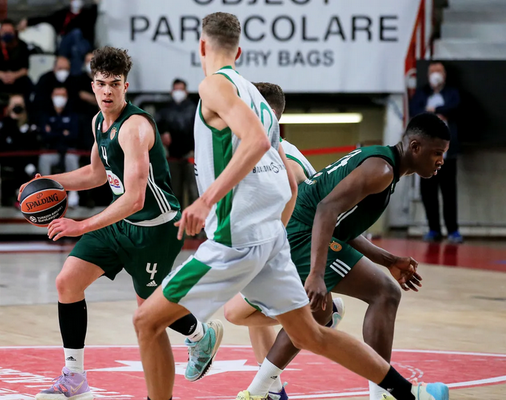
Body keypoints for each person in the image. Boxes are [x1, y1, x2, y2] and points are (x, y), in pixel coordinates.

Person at [132, 12, 450, 400]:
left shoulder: (214, 85)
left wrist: (205, 199)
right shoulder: (259, 102)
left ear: (202, 46)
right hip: (269, 240)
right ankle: (409, 394)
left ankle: (208, 348)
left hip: (235, 241)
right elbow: (287, 182)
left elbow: (255, 143)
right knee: (312, 334)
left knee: (146, 321)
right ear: (239, 51)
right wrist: (276, 233)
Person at [20, 46, 216, 400]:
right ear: (92, 86)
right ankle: (75, 377)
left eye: (115, 83)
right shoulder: (99, 121)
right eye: (101, 84)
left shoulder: (135, 128)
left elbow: (136, 199)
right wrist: (48, 182)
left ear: (126, 86)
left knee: (149, 314)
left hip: (154, 229)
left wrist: (81, 225)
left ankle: (201, 335)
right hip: (118, 222)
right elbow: (96, 174)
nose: (107, 91)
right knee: (67, 282)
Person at [224, 82, 432, 400]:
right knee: (244, 314)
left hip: (290, 240)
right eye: (438, 153)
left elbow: (327, 217)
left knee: (373, 295)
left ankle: (263, 391)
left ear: (269, 114)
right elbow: (325, 213)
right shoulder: (379, 166)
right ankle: (265, 388)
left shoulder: (283, 155)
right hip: (284, 241)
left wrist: (323, 271)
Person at [410, 62, 462, 243]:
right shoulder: (422, 93)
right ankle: (434, 229)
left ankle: (453, 230)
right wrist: (433, 114)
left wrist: (435, 110)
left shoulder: (451, 92)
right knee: (428, 193)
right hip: (426, 154)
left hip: (448, 153)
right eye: (432, 71)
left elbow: (455, 107)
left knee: (449, 193)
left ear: (444, 74)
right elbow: (415, 110)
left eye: (439, 71)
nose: (435, 74)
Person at [17, 0, 96, 75]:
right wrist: (28, 21)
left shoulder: (87, 14)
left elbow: (91, 30)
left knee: (76, 47)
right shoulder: (63, 14)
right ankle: (74, 72)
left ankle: (75, 76)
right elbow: (46, 19)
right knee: (76, 35)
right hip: (64, 45)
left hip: (82, 45)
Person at [155, 78, 197, 208]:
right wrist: (162, 133)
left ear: (186, 92)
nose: (178, 92)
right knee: (174, 190)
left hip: (190, 155)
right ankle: (177, 217)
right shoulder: (165, 110)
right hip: (172, 156)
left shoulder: (193, 109)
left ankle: (193, 218)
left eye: (181, 89)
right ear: (172, 91)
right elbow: (155, 126)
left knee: (193, 190)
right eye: (176, 89)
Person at [38, 86, 81, 207]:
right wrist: (63, 132)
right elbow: (45, 136)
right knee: (44, 158)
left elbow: (74, 135)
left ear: (67, 97)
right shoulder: (46, 114)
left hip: (68, 150)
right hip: (52, 150)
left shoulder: (72, 114)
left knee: (71, 158)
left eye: (62, 95)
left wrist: (54, 131)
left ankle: (73, 193)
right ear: (52, 96)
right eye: (57, 95)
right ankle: (46, 193)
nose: (59, 98)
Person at [0, 94, 39, 206]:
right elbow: (5, 143)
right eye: (14, 105)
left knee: (24, 152)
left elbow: (33, 143)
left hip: (28, 156)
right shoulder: (5, 123)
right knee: (18, 154)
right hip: (9, 157)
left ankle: (26, 194)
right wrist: (12, 121)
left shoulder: (30, 121)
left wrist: (22, 121)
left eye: (20, 105)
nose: (17, 108)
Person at [0, 19, 32, 104]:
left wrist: (14, 76)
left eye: (10, 31)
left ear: (14, 32)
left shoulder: (22, 45)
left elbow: (25, 69)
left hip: (16, 77)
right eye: (4, 31)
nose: (7, 34)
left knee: (28, 83)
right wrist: (2, 76)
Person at [31, 56, 80, 121]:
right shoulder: (45, 79)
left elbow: (75, 102)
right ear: (54, 68)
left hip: (69, 115)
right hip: (46, 114)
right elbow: (39, 101)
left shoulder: (73, 81)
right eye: (60, 68)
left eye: (66, 69)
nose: (63, 71)